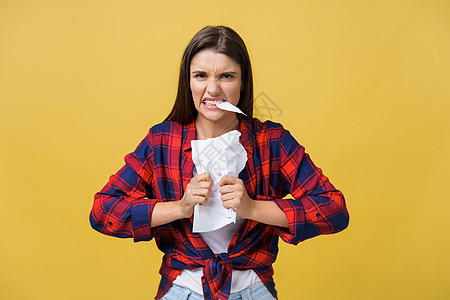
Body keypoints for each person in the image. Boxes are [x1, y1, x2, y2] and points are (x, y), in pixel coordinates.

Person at [90, 25, 349, 300]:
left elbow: (333, 209)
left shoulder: (271, 140)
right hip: (182, 289)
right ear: (187, 82)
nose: (212, 89)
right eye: (200, 76)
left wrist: (253, 207)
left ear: (243, 82)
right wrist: (180, 207)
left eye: (227, 76)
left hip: (253, 288)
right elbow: (103, 211)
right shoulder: (161, 141)